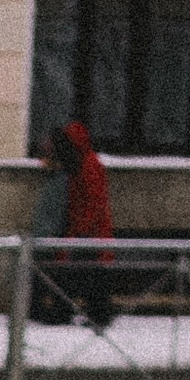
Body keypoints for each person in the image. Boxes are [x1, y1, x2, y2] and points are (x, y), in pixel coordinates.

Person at [37, 115, 115, 333]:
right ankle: (94, 314)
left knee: (82, 273)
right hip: (85, 232)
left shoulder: (88, 166)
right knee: (85, 274)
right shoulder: (82, 164)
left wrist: (80, 231)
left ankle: (74, 312)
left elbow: (93, 203)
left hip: (89, 233)